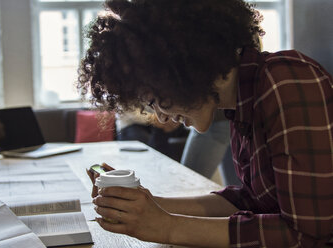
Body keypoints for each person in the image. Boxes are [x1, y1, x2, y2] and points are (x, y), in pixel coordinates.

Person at [78, 0, 333, 247]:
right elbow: (251, 200)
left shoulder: (285, 83)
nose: (162, 117)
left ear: (181, 65)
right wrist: (149, 204)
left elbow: (307, 235)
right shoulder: (243, 100)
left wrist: (166, 226)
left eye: (156, 100)